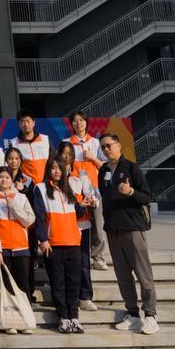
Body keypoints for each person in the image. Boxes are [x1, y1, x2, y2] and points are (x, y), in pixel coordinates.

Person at [98, 131, 159, 335]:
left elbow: (147, 197)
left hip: (132, 228)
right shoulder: (103, 171)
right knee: (123, 276)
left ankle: (150, 315)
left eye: (109, 145)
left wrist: (131, 192)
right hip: (113, 229)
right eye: (103, 146)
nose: (107, 149)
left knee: (143, 274)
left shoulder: (132, 168)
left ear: (118, 145)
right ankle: (133, 314)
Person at [34, 158, 86, 334]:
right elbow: (39, 217)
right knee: (58, 282)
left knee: (74, 282)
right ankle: (63, 317)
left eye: (60, 168)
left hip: (73, 242)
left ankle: (74, 317)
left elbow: (77, 212)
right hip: (53, 243)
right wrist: (43, 239)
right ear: (48, 170)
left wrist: (83, 205)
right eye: (53, 168)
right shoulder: (40, 189)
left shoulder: (68, 189)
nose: (57, 171)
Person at [0, 166, 35, 333]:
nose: (4, 180)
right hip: (3, 249)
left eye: (7, 177)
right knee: (5, 286)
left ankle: (25, 320)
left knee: (22, 285)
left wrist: (13, 206)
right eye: (0, 177)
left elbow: (29, 220)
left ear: (12, 180)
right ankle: (10, 322)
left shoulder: (21, 198)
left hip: (22, 248)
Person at [54, 141, 100, 313]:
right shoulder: (54, 175)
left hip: (81, 225)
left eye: (69, 153)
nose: (66, 156)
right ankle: (66, 296)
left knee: (83, 262)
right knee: (64, 264)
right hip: (62, 226)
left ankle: (85, 297)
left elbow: (91, 194)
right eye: (63, 153)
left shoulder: (80, 173)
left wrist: (91, 201)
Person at [66, 111, 108, 269]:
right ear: (71, 124)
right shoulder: (67, 143)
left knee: (98, 223)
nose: (79, 123)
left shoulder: (96, 143)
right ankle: (78, 254)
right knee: (77, 223)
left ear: (86, 122)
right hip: (75, 189)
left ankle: (98, 257)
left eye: (81, 120)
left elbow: (104, 166)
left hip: (94, 188)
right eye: (75, 121)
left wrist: (93, 157)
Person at [6, 110, 50, 184]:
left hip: (46, 184)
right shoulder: (14, 143)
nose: (25, 124)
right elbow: (11, 166)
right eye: (22, 121)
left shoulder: (45, 139)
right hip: (25, 186)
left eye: (28, 121)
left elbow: (52, 161)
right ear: (18, 124)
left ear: (34, 123)